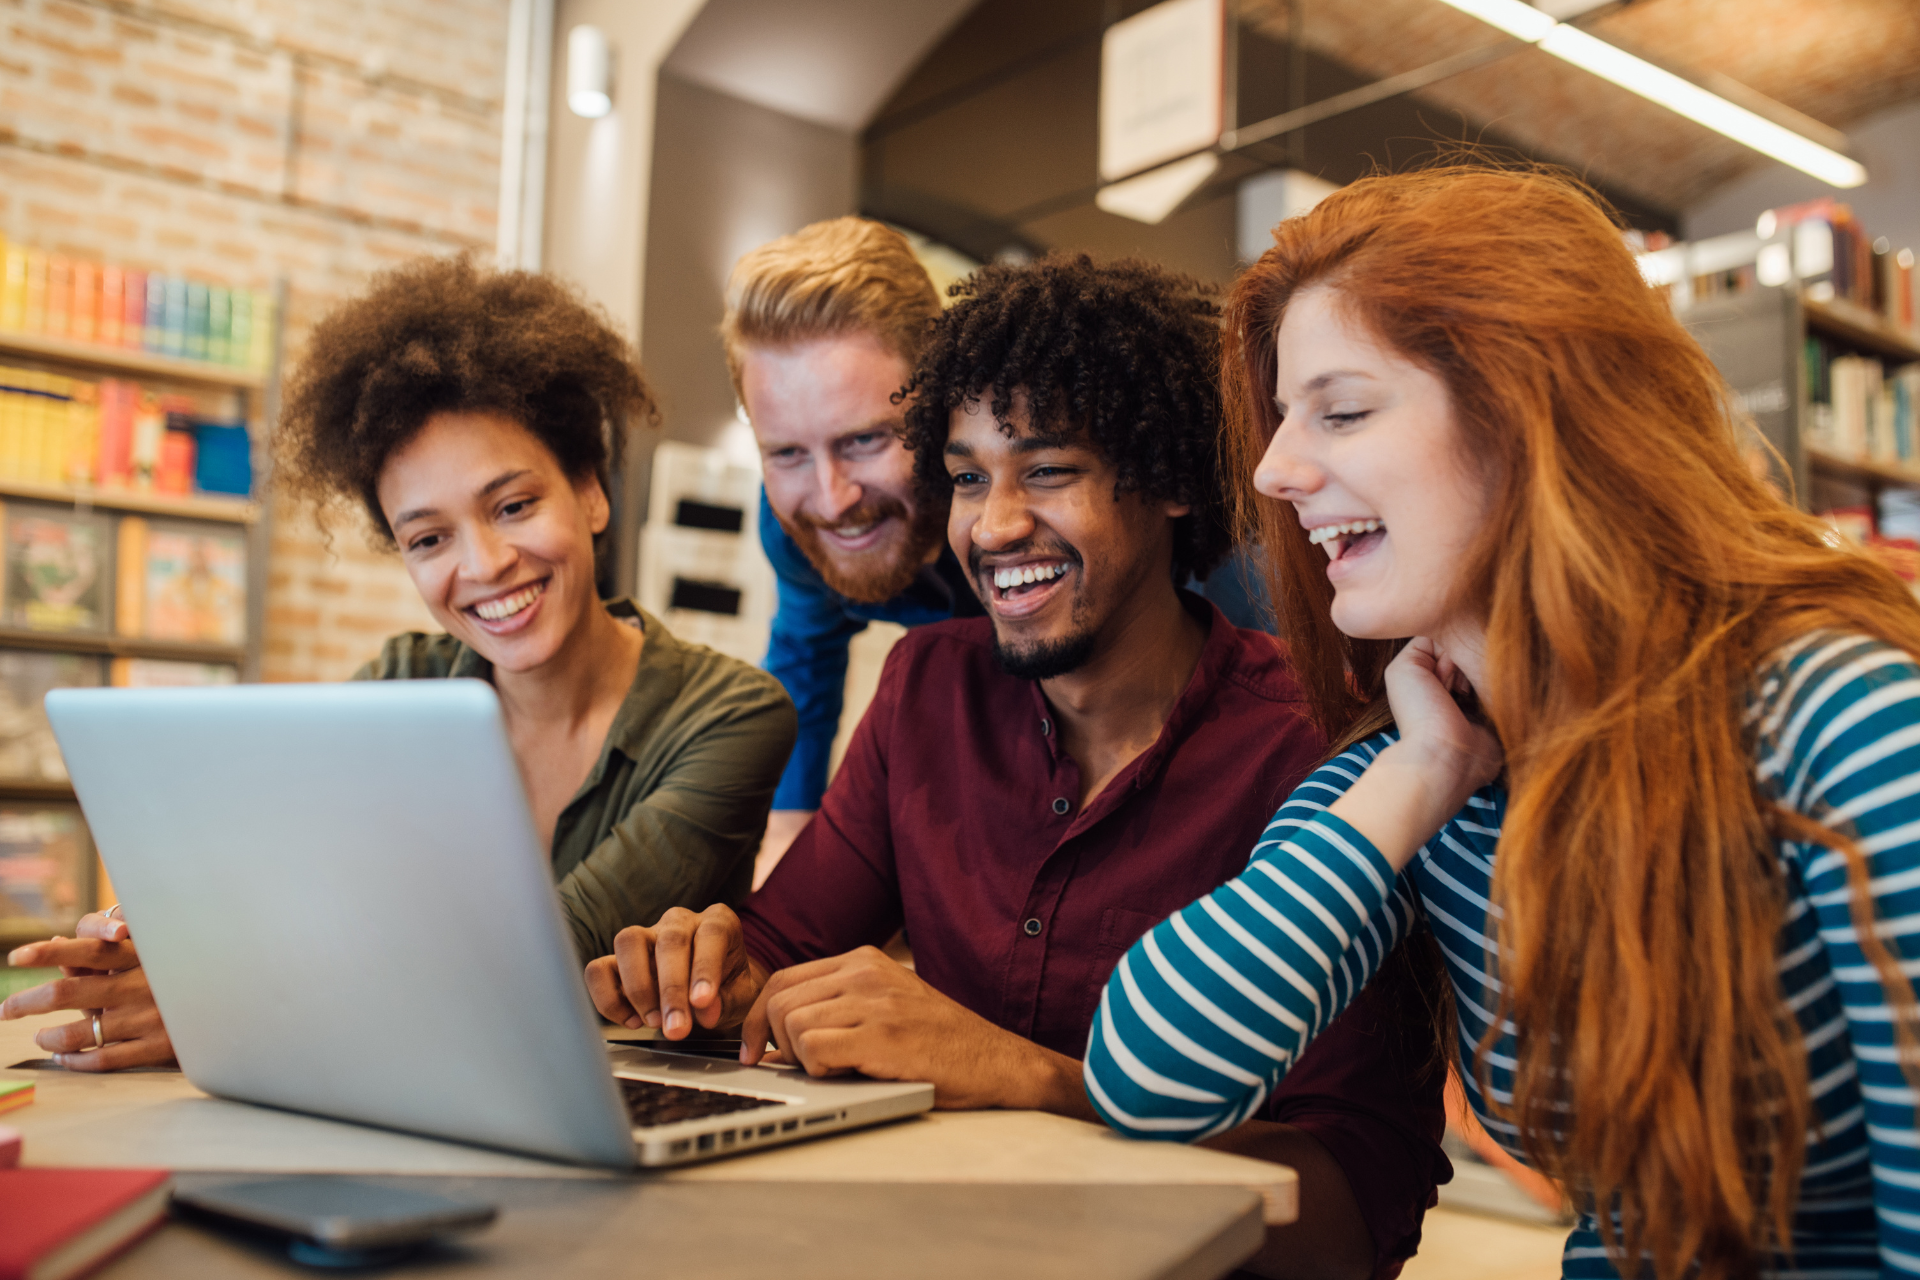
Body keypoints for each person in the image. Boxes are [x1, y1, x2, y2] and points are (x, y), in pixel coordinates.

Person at [1083, 165, 1920, 1280]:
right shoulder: (1421, 766)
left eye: (1341, 409)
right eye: (1282, 418)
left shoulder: (1835, 718)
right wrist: (1422, 771)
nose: (1276, 471)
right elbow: (1147, 1078)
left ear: (1533, 416)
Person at [593, 255, 1451, 1280]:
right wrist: (705, 966)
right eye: (965, 478)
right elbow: (782, 944)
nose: (992, 527)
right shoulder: (925, 691)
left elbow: (1358, 1213)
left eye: (1047, 470)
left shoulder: (1320, 750)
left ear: (1171, 480)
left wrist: (1032, 1076)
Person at [2, 256, 796, 1070]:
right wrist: (162, 944)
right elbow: (272, 884)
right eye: (429, 538)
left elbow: (550, 957)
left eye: (513, 505)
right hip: (401, 1086)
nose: (483, 564)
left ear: (592, 493)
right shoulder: (401, 682)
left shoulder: (730, 713)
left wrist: (224, 1002)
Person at [722, 217, 972, 862]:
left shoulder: (1024, 512)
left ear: (941, 401)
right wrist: (786, 839)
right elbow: (805, 659)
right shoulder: (791, 525)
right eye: (786, 453)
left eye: (864, 440)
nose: (832, 500)